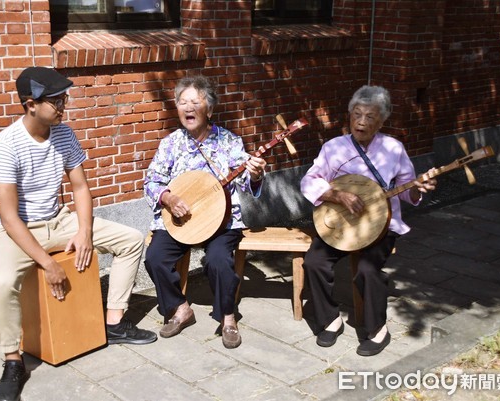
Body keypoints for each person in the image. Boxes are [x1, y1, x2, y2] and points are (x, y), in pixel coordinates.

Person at [0, 67, 157, 401]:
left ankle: (113, 322)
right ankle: (12, 360)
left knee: (131, 240)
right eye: (54, 100)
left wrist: (84, 231)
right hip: (16, 231)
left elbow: (80, 188)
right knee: (1, 284)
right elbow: (8, 218)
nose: (62, 105)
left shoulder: (63, 134)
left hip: (57, 220)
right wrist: (48, 265)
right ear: (30, 104)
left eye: (63, 98)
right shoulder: (5, 146)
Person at [300, 85, 437, 356]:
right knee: (314, 262)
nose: (361, 122)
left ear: (382, 121)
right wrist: (337, 195)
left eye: (370, 116)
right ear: (349, 115)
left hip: (381, 225)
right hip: (342, 224)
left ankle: (377, 330)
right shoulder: (334, 147)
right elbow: (309, 180)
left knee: (366, 269)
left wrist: (417, 188)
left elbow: (407, 190)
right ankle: (330, 319)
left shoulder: (393, 148)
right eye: (357, 114)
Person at [143, 75, 266, 349]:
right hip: (182, 219)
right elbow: (152, 181)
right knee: (155, 257)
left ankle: (228, 316)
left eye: (195, 102)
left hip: (221, 220)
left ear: (208, 109)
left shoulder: (229, 142)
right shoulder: (171, 144)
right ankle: (179, 308)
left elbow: (246, 182)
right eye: (182, 102)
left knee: (218, 260)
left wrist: (255, 174)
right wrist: (168, 198)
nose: (188, 107)